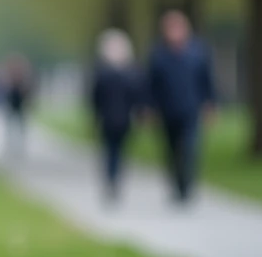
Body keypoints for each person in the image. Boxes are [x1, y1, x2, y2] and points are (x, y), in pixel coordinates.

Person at [147, 10, 217, 205]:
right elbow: (151, 84)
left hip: (191, 109)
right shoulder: (159, 55)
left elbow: (207, 80)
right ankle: (176, 186)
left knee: (189, 149)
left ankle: (187, 186)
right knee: (171, 151)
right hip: (167, 111)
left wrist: (210, 103)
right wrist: (149, 107)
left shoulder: (198, 53)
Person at [90, 29, 142, 204]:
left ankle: (116, 179)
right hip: (107, 119)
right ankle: (111, 180)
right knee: (110, 152)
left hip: (126, 119)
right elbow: (95, 97)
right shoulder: (102, 72)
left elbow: (137, 96)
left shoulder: (132, 72)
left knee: (121, 152)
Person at [2, 53, 35, 158]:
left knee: (20, 126)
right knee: (10, 126)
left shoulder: (23, 80)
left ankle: (20, 146)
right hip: (11, 105)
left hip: (20, 106)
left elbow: (27, 93)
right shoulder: (8, 79)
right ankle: (10, 145)